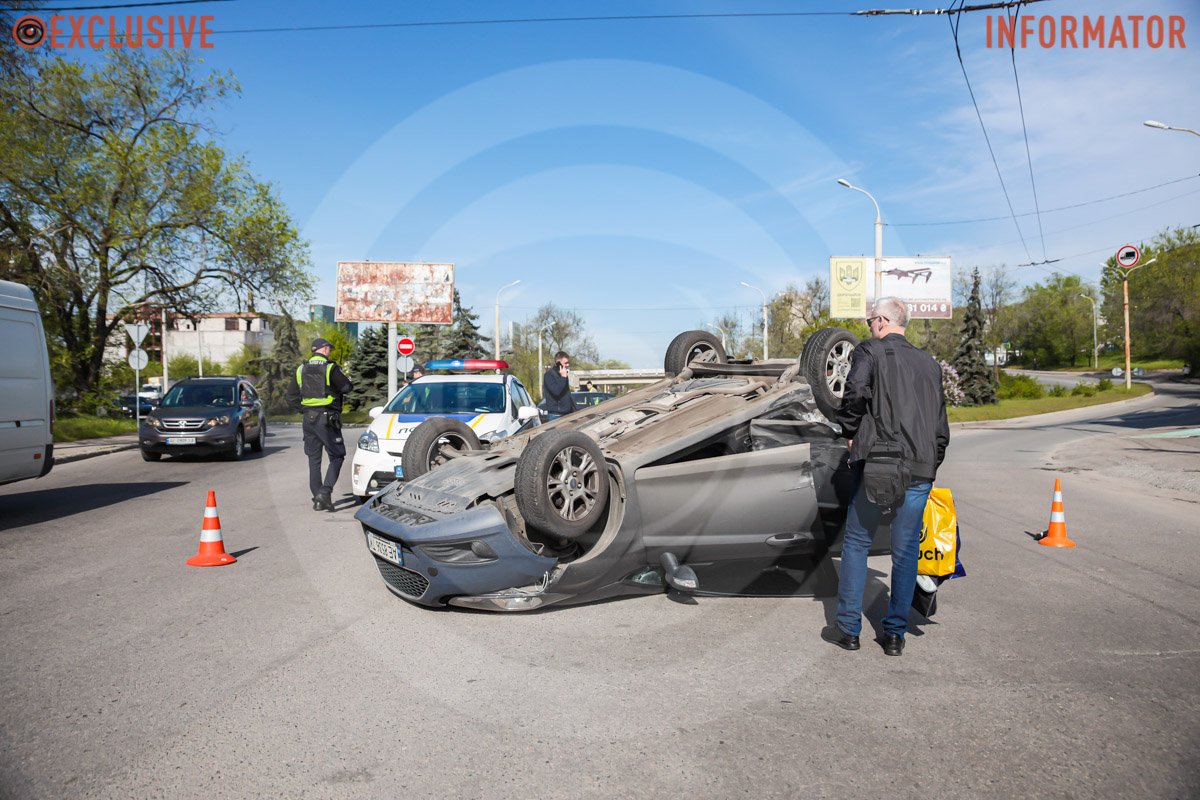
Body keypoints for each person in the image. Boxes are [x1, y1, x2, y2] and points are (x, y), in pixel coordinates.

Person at [822, 297, 949, 657]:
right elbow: (940, 422)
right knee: (906, 550)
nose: (869, 327)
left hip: (880, 463)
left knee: (858, 543)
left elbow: (856, 393)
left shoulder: (871, 351)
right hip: (921, 467)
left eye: (868, 321)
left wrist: (849, 430)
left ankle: (848, 629)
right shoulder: (929, 363)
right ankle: (895, 635)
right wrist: (933, 462)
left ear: (880, 321)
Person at [286, 337, 354, 512]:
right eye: (328, 349)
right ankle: (325, 491)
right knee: (337, 456)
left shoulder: (301, 369)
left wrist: (304, 409)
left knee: (313, 460)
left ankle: (318, 498)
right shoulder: (330, 368)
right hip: (326, 418)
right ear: (323, 349)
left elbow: (291, 397)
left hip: (308, 419)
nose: (329, 351)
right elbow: (347, 387)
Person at [541, 351, 577, 420]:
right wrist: (563, 377)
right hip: (556, 415)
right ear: (558, 363)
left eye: (568, 363)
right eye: (565, 363)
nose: (568, 365)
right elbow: (556, 391)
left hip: (567, 414)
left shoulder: (563, 374)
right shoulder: (549, 375)